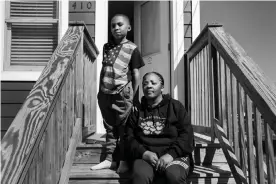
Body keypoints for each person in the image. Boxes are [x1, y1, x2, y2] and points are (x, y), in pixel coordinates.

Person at [90, 14, 145, 173]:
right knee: (110, 127)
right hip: (105, 93)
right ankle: (109, 160)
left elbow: (135, 74)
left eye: (120, 25)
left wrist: (134, 98)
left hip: (122, 93)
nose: (116, 28)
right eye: (113, 25)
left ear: (128, 28)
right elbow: (105, 69)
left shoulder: (132, 48)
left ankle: (123, 160)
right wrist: (100, 91)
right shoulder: (107, 47)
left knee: (123, 128)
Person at [125, 72, 194, 184]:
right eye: (145, 83)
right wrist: (144, 153)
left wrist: (171, 154)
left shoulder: (176, 107)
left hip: (175, 156)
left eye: (153, 83)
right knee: (140, 176)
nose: (149, 86)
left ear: (162, 87)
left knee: (174, 175)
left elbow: (187, 135)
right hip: (145, 157)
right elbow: (128, 137)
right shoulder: (137, 111)